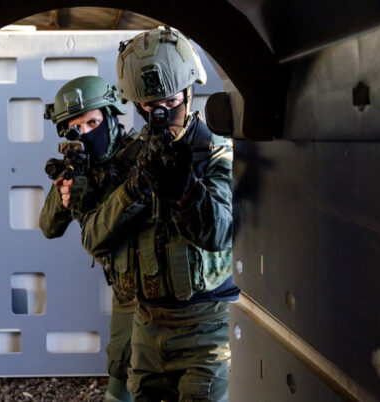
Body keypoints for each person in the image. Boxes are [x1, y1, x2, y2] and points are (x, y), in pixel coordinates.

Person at [75, 26, 238, 401]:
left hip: (205, 329)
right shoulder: (130, 160)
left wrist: (185, 190)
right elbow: (93, 237)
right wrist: (133, 191)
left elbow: (220, 233)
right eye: (149, 105)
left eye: (168, 101)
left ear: (188, 91)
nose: (159, 113)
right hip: (146, 327)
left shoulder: (214, 153)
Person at [39, 75, 136, 402]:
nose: (86, 133)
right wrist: (68, 189)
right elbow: (48, 227)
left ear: (111, 117)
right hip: (126, 293)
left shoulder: (137, 157)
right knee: (119, 382)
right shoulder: (81, 168)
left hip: (167, 296)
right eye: (76, 128)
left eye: (93, 122)